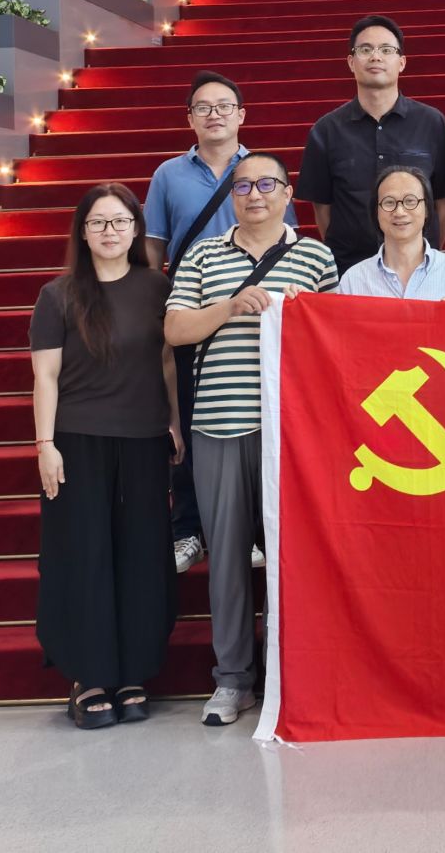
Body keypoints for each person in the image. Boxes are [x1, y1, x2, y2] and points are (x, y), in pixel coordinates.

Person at [164, 152, 339, 727]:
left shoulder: (315, 256)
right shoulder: (203, 254)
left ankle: (292, 676)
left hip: (289, 430)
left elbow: (333, 339)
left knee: (294, 558)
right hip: (217, 424)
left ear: (288, 194)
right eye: (242, 186)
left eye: (267, 184)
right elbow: (175, 329)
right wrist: (229, 306)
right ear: (231, 197)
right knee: (228, 561)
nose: (255, 194)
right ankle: (232, 680)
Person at [30, 182, 183, 730]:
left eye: (120, 221)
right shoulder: (58, 295)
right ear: (83, 232)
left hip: (143, 439)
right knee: (83, 556)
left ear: (136, 228)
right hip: (78, 440)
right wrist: (45, 446)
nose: (110, 231)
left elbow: (166, 362)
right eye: (98, 222)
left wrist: (173, 421)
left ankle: (134, 672)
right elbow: (45, 376)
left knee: (142, 556)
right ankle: (88, 677)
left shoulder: (158, 287)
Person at [143, 70, 292, 576]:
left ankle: (252, 531)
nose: (214, 114)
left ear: (241, 115)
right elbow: (155, 248)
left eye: (224, 105)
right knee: (191, 422)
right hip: (197, 309)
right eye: (203, 107)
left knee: (256, 426)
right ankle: (188, 529)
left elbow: (284, 237)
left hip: (256, 319)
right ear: (189, 118)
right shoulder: (169, 175)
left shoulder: (261, 171)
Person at [297, 15, 445, 274]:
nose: (376, 57)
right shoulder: (326, 130)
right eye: (365, 49)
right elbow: (322, 210)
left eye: (386, 50)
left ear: (402, 62)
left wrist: (418, 252)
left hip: (419, 272)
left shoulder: (432, 123)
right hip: (350, 270)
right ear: (351, 62)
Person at [338, 164, 445, 304]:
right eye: (389, 202)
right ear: (376, 212)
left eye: (410, 201)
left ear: (427, 209)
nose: (399, 212)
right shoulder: (353, 280)